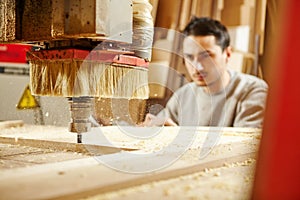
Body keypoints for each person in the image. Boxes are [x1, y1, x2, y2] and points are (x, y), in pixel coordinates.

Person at [142, 17, 268, 128]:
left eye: (206, 56)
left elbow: (244, 150)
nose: (197, 67)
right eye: (190, 57)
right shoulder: (182, 96)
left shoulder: (253, 91)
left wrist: (177, 137)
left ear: (228, 54)